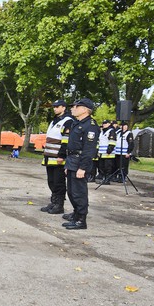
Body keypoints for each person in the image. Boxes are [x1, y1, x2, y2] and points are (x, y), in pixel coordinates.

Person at [62, 98, 100, 230]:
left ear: (84, 109)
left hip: (80, 162)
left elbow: (89, 150)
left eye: (76, 107)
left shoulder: (91, 125)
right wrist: (68, 165)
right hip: (72, 160)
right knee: (71, 191)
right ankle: (76, 213)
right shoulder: (77, 123)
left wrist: (82, 168)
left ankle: (81, 220)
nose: (72, 108)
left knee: (79, 192)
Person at [41, 99, 73, 214]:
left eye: (57, 106)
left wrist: (62, 155)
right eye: (54, 107)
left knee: (58, 181)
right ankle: (53, 202)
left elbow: (66, 140)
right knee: (51, 181)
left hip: (58, 157)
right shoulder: (54, 120)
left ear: (64, 107)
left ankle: (59, 205)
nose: (54, 108)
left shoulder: (68, 121)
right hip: (49, 156)